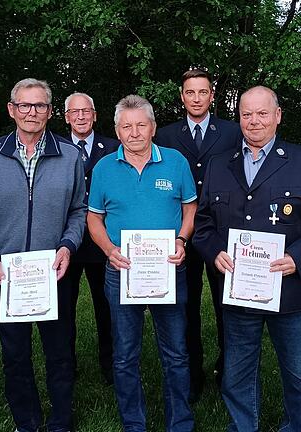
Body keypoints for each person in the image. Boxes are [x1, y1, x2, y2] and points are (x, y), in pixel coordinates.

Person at [193, 86, 301, 431]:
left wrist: (298, 257)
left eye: (263, 113)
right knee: (237, 374)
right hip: (238, 293)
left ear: (278, 116)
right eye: (247, 114)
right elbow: (202, 224)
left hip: (290, 293)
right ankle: (244, 426)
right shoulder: (219, 165)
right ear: (239, 118)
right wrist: (214, 250)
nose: (254, 121)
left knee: (300, 378)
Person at [0, 78, 86, 432]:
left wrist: (68, 246)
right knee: (15, 354)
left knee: (59, 352)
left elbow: (79, 210)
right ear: (12, 109)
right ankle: (27, 420)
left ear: (50, 112)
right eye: (24, 105)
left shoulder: (69, 156)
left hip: (54, 271)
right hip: (7, 273)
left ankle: (61, 421)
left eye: (39, 106)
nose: (31, 112)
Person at [87, 94, 196, 432]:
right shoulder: (104, 167)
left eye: (140, 125)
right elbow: (94, 219)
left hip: (168, 270)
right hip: (121, 272)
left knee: (176, 353)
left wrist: (181, 240)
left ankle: (180, 422)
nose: (134, 133)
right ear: (117, 131)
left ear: (153, 127)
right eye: (126, 126)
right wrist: (108, 250)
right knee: (124, 355)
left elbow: (191, 209)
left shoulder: (176, 162)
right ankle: (134, 423)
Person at [155, 68, 242, 400]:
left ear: (211, 96)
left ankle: (228, 370)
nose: (196, 98)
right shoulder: (165, 135)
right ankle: (191, 373)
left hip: (222, 232)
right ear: (182, 96)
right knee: (185, 304)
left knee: (227, 305)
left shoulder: (232, 132)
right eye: (190, 92)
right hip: (182, 231)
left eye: (202, 92)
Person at [62, 92, 120, 384]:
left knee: (107, 306)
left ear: (95, 115)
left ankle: (110, 364)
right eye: (75, 112)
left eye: (86, 111)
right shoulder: (57, 149)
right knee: (64, 308)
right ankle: (65, 364)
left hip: (104, 242)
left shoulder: (113, 147)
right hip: (67, 243)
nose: (81, 117)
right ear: (66, 117)